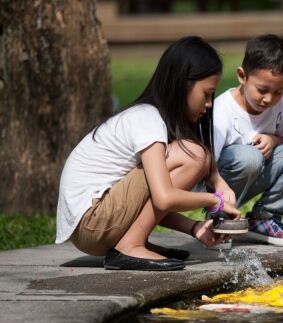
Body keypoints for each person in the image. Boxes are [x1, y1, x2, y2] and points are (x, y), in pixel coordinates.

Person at [55, 36, 241, 271]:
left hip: (94, 225)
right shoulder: (147, 119)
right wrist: (215, 199)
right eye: (207, 94)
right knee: (194, 154)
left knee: (192, 156)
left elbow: (150, 204)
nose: (209, 104)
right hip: (93, 223)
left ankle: (132, 242)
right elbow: (164, 198)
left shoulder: (153, 121)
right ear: (182, 84)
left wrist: (195, 227)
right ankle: (130, 246)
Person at [211, 34, 283, 246]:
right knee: (250, 156)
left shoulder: (280, 104)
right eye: (262, 90)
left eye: (278, 91)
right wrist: (218, 199)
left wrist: (273, 140)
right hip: (218, 185)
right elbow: (207, 164)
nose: (269, 99)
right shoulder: (222, 110)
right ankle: (220, 219)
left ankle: (264, 218)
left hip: (254, 173)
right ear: (242, 76)